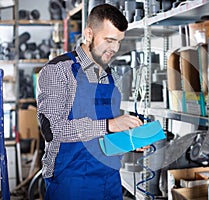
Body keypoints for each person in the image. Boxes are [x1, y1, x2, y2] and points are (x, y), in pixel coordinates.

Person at [37, 4, 143, 199]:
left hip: (109, 179)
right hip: (71, 181)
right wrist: (109, 124)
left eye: (118, 41)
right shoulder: (58, 70)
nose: (115, 48)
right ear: (89, 34)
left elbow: (102, 138)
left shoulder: (110, 76)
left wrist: (128, 140)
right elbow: (53, 130)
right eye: (109, 40)